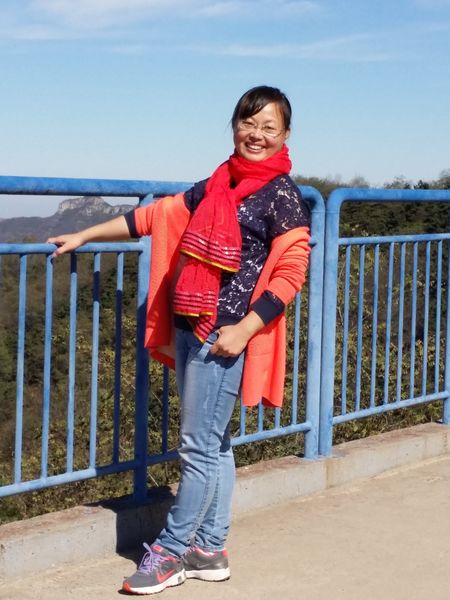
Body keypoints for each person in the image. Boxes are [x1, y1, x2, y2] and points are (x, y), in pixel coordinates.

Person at [47, 85, 311, 595]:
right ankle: (209, 550)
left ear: (285, 135)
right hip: (191, 325)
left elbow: (290, 273)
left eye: (268, 127)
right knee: (214, 444)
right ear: (234, 126)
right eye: (248, 123)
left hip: (223, 337)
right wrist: (85, 235)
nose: (256, 135)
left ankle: (170, 553)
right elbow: (154, 216)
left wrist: (245, 329)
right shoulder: (218, 182)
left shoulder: (283, 196)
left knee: (197, 448)